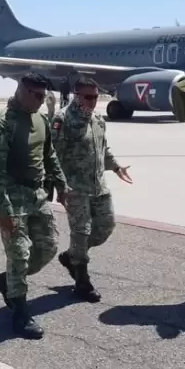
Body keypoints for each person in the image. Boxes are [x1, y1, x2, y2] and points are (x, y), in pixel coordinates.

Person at [0, 72, 68, 339]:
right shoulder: (2, 124)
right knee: (19, 254)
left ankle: (7, 281)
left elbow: (49, 154)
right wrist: (3, 212)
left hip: (37, 195)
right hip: (13, 197)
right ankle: (20, 313)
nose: (40, 101)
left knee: (48, 248)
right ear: (21, 91)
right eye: (35, 95)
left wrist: (61, 184)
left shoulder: (41, 119)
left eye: (43, 96)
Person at [51, 77, 132, 302]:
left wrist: (116, 166)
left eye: (96, 97)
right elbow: (53, 156)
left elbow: (103, 148)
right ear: (76, 96)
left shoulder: (98, 120)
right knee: (81, 231)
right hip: (75, 188)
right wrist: (59, 186)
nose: (94, 101)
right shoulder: (62, 119)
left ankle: (71, 256)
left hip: (98, 185)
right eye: (88, 97)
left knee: (106, 226)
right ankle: (82, 281)